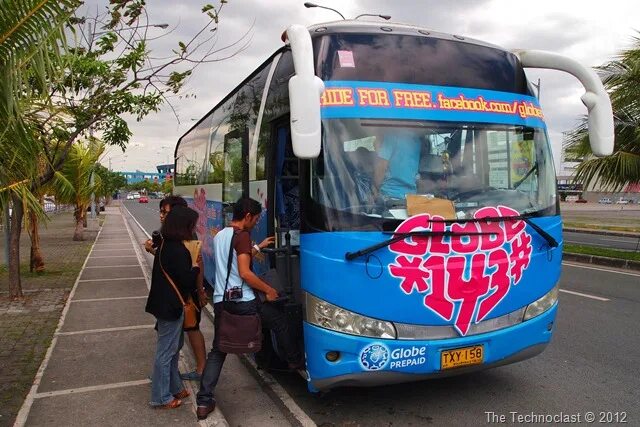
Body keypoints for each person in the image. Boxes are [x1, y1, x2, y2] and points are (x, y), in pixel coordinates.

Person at [195, 197, 304, 420]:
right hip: (243, 301)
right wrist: (268, 290)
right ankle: (295, 361)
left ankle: (204, 401)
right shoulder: (243, 236)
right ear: (247, 216)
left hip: (221, 300)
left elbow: (231, 261)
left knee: (219, 350)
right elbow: (244, 273)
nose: (255, 223)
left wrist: (258, 247)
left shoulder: (222, 234)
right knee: (279, 321)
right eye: (255, 219)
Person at [145, 196, 208, 381]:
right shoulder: (168, 233)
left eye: (166, 212)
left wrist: (200, 291)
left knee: (192, 328)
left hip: (186, 293)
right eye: (161, 211)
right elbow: (171, 262)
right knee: (171, 337)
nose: (162, 215)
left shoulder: (186, 234)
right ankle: (167, 375)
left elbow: (196, 264)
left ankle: (200, 369)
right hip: (173, 295)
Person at [373, 129, 422, 201]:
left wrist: (374, 187)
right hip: (411, 198)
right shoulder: (416, 141)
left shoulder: (391, 136)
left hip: (389, 196)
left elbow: (381, 167)